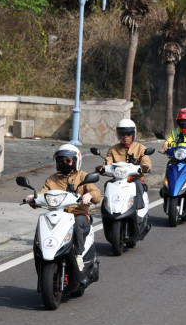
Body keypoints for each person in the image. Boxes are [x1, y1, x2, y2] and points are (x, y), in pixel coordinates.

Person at [26, 144, 102, 275]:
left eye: (68, 160)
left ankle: (78, 255)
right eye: (61, 161)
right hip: (58, 216)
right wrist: (34, 198)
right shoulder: (52, 180)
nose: (64, 163)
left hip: (78, 215)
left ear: (75, 161)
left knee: (77, 223)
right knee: (43, 221)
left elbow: (96, 193)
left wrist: (89, 195)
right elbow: (43, 193)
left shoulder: (83, 176)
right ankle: (42, 255)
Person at [100, 118, 152, 205]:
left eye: (128, 133)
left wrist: (145, 167)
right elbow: (107, 162)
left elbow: (146, 161)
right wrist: (102, 169)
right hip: (118, 179)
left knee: (138, 184)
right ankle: (108, 208)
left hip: (134, 178)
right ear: (119, 135)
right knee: (108, 184)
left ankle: (138, 208)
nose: (125, 136)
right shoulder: (113, 149)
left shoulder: (141, 148)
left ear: (133, 134)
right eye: (122, 134)